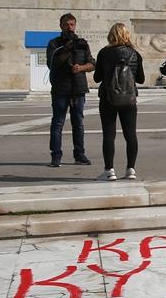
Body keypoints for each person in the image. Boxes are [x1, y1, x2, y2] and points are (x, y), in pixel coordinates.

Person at [93, 23, 145, 182]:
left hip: (108, 98)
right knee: (131, 135)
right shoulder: (135, 54)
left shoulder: (104, 53)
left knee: (109, 134)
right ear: (127, 35)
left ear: (111, 35)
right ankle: (131, 169)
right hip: (129, 99)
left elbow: (97, 78)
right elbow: (141, 79)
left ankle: (109, 170)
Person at [46, 13, 94, 168]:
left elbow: (92, 63)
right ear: (61, 25)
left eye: (72, 24)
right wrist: (66, 49)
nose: (69, 27)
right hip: (61, 88)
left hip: (78, 88)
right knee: (58, 122)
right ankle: (56, 155)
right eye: (66, 24)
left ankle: (79, 154)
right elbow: (52, 64)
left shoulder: (82, 43)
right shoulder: (54, 44)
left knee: (78, 123)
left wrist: (81, 67)